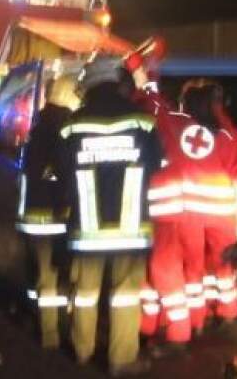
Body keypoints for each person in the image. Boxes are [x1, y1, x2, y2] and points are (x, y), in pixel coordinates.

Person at [126, 53, 237, 355]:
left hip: (176, 212)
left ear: (187, 100)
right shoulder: (229, 133)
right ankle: (222, 315)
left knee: (171, 270)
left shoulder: (173, 121)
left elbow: (151, 100)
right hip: (219, 215)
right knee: (214, 267)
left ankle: (180, 332)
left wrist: (140, 71)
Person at [54, 56, 161, 377]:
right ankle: (121, 360)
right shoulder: (143, 122)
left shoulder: (72, 126)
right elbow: (157, 166)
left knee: (85, 296)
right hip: (131, 230)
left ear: (88, 87)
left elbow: (61, 172)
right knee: (125, 296)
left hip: (87, 232)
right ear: (118, 83)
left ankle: (82, 353)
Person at [17, 74, 80, 350]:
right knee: (53, 277)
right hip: (54, 216)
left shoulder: (39, 127)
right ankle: (52, 336)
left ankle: (44, 326)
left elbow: (32, 171)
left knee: (41, 277)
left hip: (33, 216)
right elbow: (64, 173)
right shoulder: (61, 130)